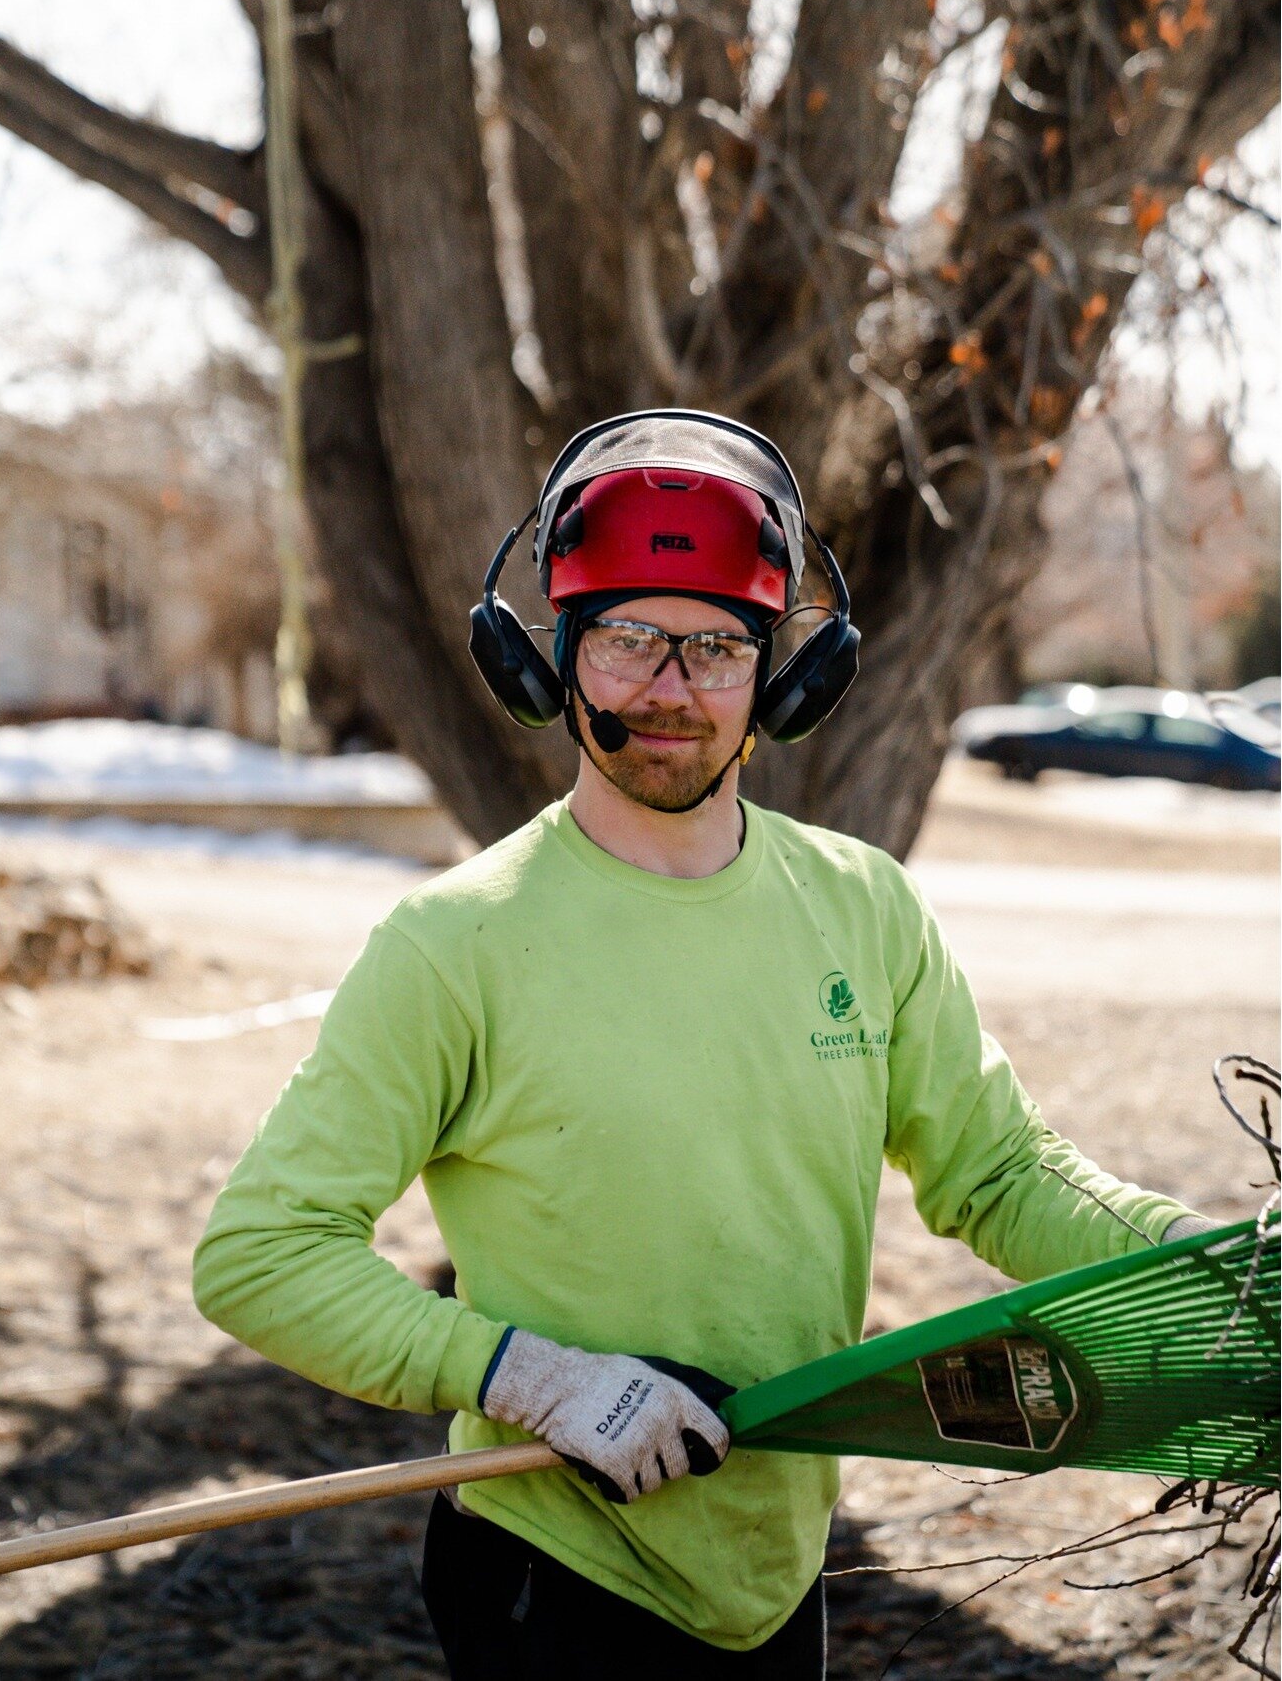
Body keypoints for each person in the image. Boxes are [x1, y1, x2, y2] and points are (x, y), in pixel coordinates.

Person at [193, 411, 1212, 1680]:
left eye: (716, 645)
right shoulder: (453, 942)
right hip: (558, 1571)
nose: (669, 687)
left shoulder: (863, 905)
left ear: (783, 679)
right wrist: (534, 1378)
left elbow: (996, 1171)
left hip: (775, 1569)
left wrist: (1196, 1260)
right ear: (551, 661)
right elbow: (258, 1251)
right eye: (626, 637)